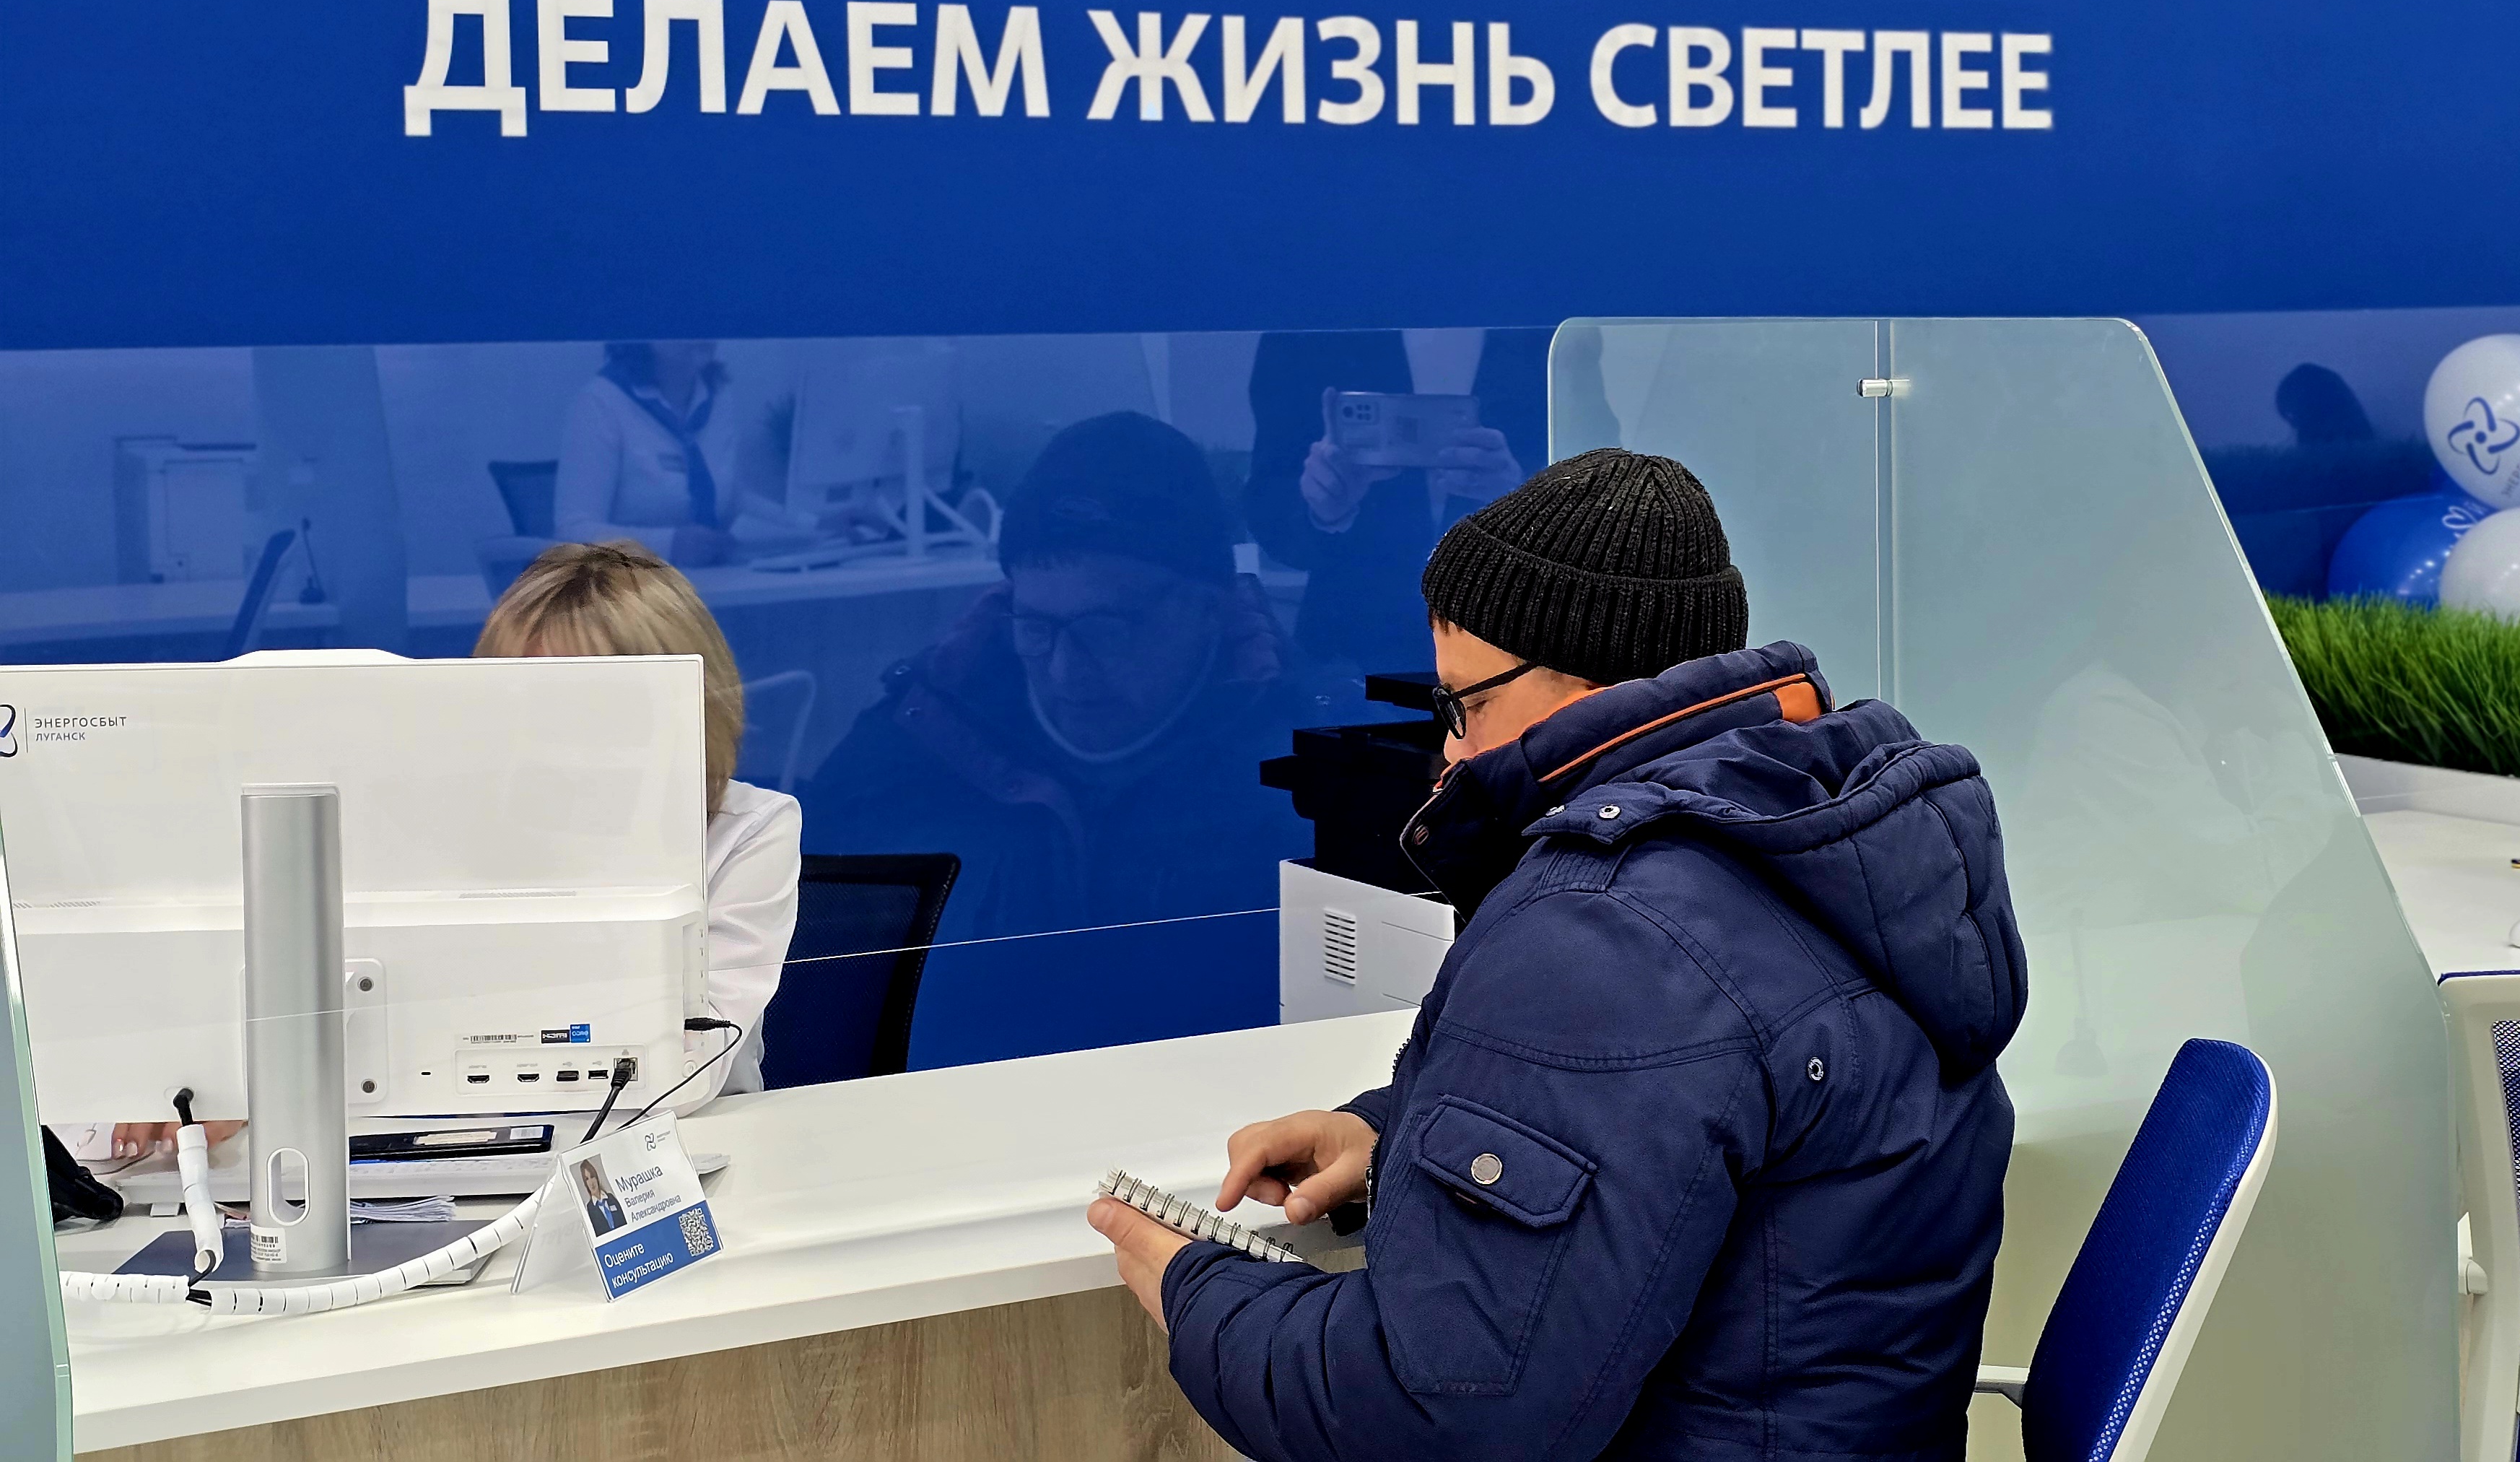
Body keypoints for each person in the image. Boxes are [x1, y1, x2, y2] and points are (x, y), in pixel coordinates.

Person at [1089, 448, 2028, 1462]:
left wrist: (1197, 1288)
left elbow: (1439, 1417)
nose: (1448, 751)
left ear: (1583, 679)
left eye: (1463, 702)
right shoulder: (1819, 835)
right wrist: (1392, 1132)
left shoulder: (1608, 928)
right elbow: (1686, 1105)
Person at [809, 411, 1307, 941]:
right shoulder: (911, 743)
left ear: (1210, 611)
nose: (1065, 672)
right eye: (1036, 628)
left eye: (1106, 631)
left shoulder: (1313, 773)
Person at [476, 541, 800, 1097]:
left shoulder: (747, 831)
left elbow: (690, 1070)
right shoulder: (469, 830)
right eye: (531, 704)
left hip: (692, 1134)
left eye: (586, 704)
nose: (555, 736)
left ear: (675, 704)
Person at [1240, 328, 1548, 674]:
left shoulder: (1542, 331)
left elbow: (1588, 478)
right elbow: (1269, 509)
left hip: (1518, 640)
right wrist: (1321, 507)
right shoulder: (1310, 331)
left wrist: (1524, 498)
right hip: (1356, 653)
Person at [555, 340, 773, 569]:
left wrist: (797, 523)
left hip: (717, 579)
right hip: (632, 582)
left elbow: (730, 498)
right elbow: (573, 532)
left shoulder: (718, 397)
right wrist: (668, 545)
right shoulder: (601, 403)